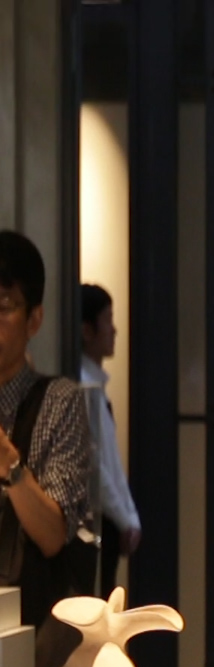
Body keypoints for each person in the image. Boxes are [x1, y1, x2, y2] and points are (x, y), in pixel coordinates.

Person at [0, 231, 94, 637]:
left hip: (29, 636)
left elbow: (53, 535)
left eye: (3, 306)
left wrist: (8, 462)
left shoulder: (60, 402)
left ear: (34, 319)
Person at [78, 283, 141, 595]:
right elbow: (95, 464)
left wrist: (128, 515)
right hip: (99, 521)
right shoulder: (82, 387)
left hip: (110, 518)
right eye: (107, 320)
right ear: (87, 330)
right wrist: (125, 516)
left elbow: (110, 463)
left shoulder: (95, 387)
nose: (114, 330)